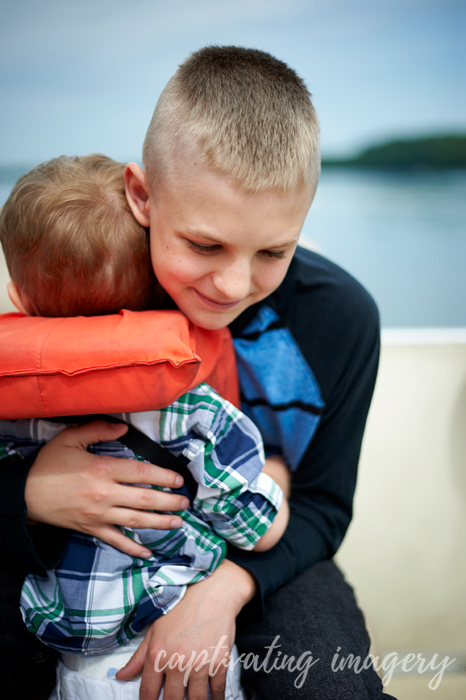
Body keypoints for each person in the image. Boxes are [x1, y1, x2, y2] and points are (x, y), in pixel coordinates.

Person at [0, 46, 396, 699]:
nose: (233, 285)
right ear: (141, 195)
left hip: (260, 556)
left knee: (328, 684)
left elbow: (323, 507)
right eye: (203, 245)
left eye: (273, 250)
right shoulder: (82, 282)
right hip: (56, 553)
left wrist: (219, 594)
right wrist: (29, 493)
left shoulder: (342, 318)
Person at [0, 153, 290, 699]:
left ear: (19, 299)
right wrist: (273, 473)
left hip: (66, 650)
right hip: (177, 645)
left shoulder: (9, 407)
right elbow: (259, 528)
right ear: (157, 289)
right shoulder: (192, 410)